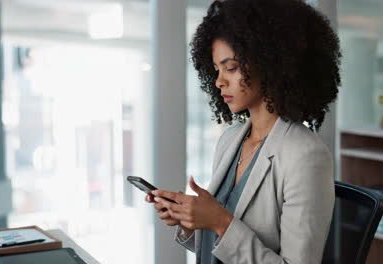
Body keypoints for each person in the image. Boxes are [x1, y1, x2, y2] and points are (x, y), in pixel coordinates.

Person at [146, 0, 341, 262]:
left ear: (271, 62)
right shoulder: (230, 140)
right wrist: (191, 221)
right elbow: (221, 249)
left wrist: (219, 222)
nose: (219, 81)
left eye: (232, 67)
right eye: (216, 69)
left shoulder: (306, 155)